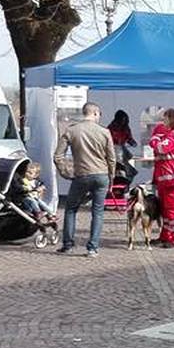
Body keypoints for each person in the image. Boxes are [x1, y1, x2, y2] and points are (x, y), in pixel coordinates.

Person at [54, 102, 117, 257]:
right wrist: (111, 177)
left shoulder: (71, 130)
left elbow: (58, 156)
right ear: (95, 113)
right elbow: (112, 159)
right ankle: (92, 248)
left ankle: (68, 245)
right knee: (98, 212)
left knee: (71, 209)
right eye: (99, 115)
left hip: (81, 175)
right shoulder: (105, 132)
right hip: (101, 175)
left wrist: (66, 172)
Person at [149, 109, 174, 248]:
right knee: (165, 209)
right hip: (166, 177)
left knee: (172, 209)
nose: (163, 122)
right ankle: (166, 235)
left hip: (172, 177)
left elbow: (161, 148)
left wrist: (155, 138)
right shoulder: (173, 134)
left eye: (165, 119)